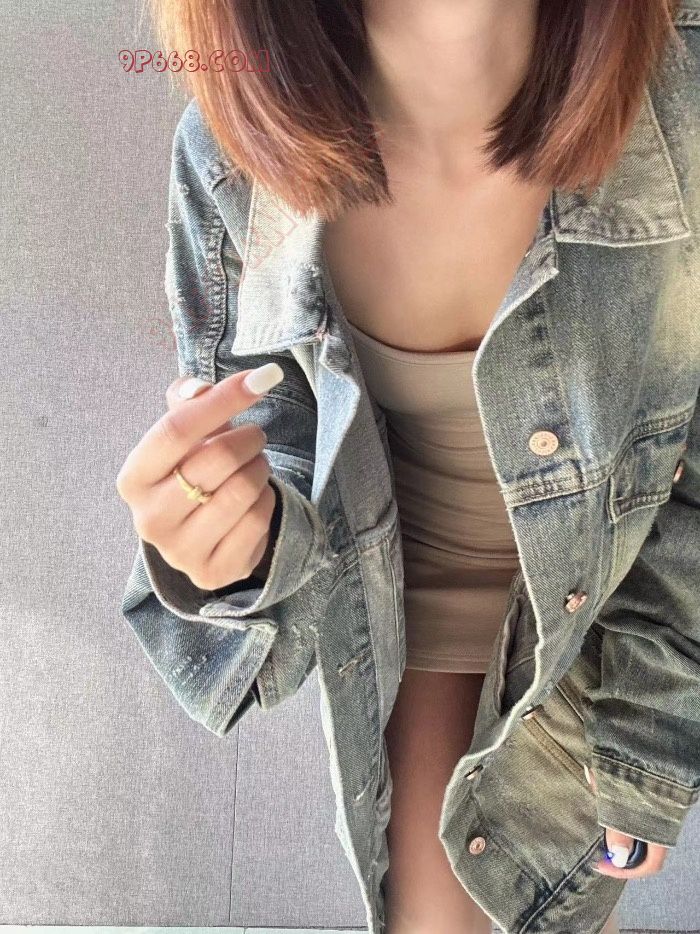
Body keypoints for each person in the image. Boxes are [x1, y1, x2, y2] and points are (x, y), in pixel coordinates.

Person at [117, 1, 700, 932]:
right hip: (410, 612)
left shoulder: (683, 96)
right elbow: (270, 446)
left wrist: (651, 724)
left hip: (607, 609)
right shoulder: (233, 159)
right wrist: (225, 550)